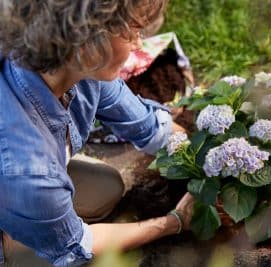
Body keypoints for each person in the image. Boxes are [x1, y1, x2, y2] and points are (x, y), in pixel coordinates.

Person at [0, 1, 195, 266]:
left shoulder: (77, 68)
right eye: (133, 32)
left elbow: (147, 126)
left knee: (106, 186)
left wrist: (202, 150)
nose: (139, 45)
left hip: (25, 184)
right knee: (46, 254)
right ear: (87, 40)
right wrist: (174, 221)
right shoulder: (29, 167)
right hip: (21, 179)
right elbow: (78, 245)